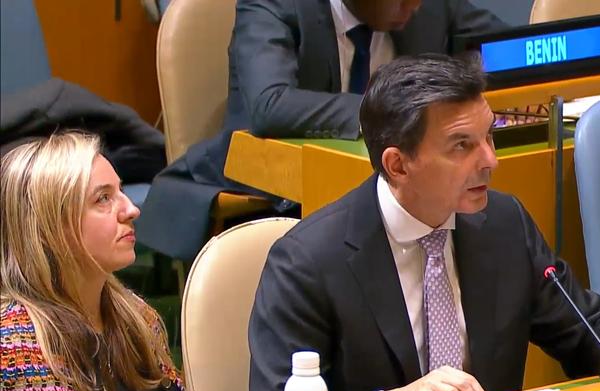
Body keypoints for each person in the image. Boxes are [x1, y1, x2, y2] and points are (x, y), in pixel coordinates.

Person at [247, 54, 600, 391]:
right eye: (461, 146)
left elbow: (587, 329)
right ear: (397, 165)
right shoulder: (307, 261)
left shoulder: (503, 224)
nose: (490, 161)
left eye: (489, 136)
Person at [137, 0, 506, 261]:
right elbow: (269, 104)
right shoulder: (276, 3)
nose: (415, 5)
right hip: (277, 186)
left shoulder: (427, 5)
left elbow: (511, 48)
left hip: (398, 187)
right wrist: (399, 111)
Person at [0, 133, 214, 391]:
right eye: (103, 199)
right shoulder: (8, 345)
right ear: (52, 227)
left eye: (121, 191)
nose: (131, 209)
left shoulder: (140, 319)